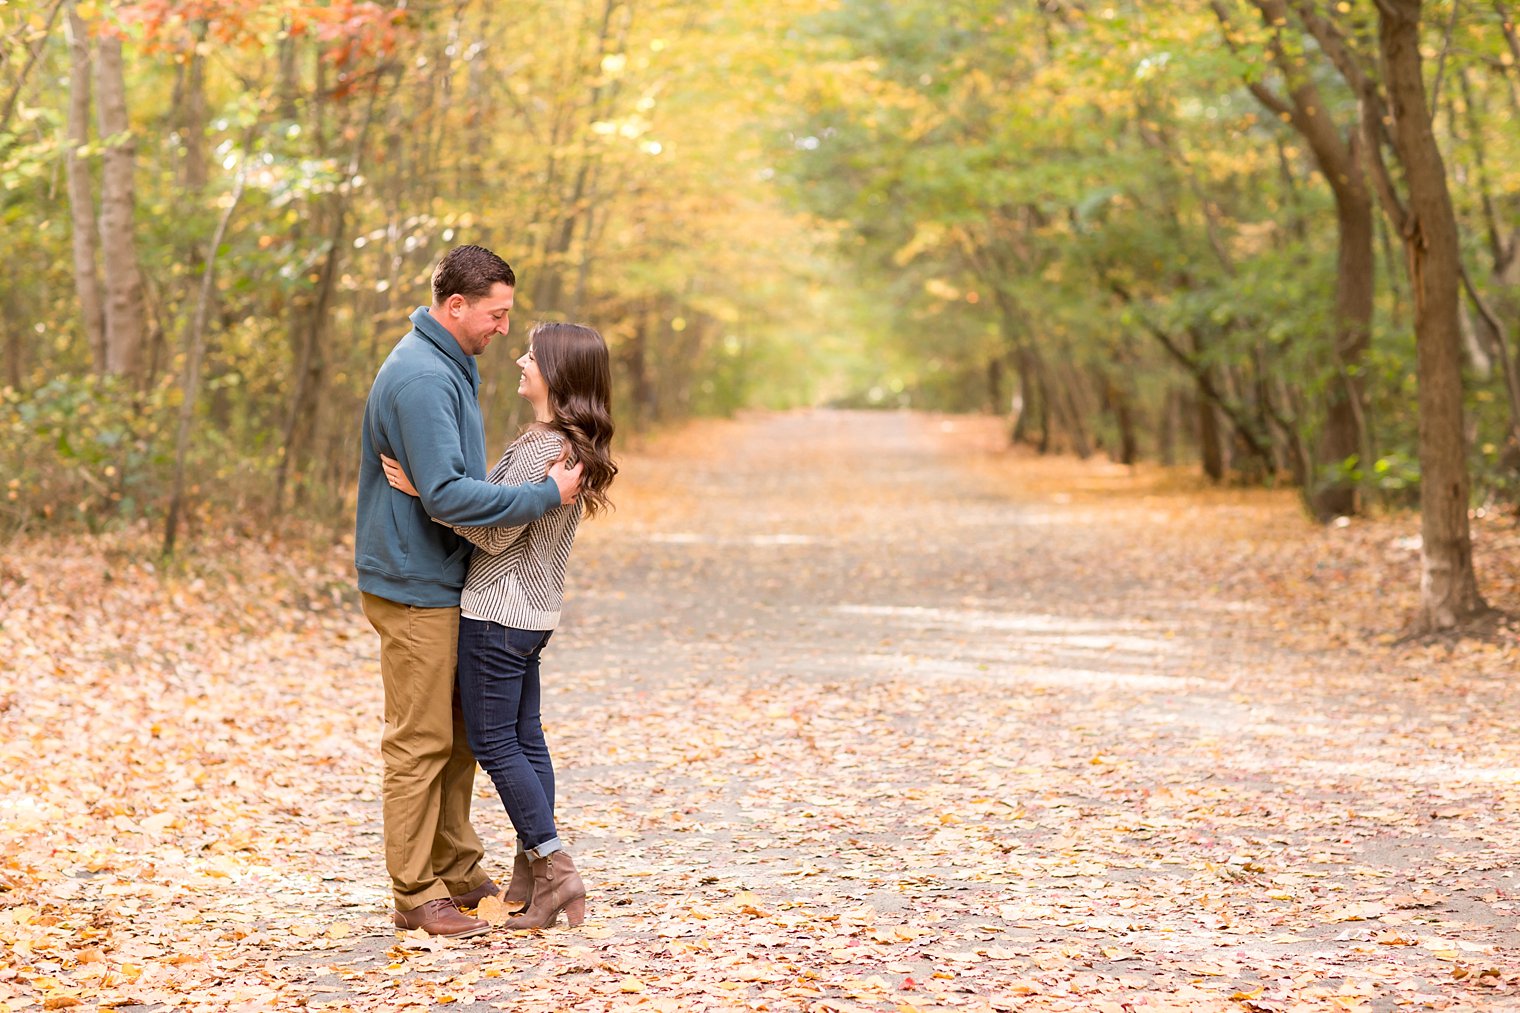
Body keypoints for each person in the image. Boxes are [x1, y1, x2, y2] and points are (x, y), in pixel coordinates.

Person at [355, 245, 583, 940]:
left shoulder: (451, 365)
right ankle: (415, 891)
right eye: (497, 313)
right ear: (456, 306)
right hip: (414, 581)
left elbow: (446, 483)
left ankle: (457, 866)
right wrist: (541, 493)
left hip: (443, 573)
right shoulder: (423, 376)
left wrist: (439, 491)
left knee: (457, 738)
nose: (505, 329)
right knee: (421, 741)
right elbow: (451, 492)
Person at [381, 320, 617, 931]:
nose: (520, 359)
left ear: (557, 373)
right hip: (536, 615)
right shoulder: (573, 443)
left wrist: (426, 495)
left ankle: (554, 865)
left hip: (496, 613)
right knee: (527, 738)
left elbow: (495, 529)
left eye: (532, 355)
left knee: (494, 744)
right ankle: (534, 873)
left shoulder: (542, 447)